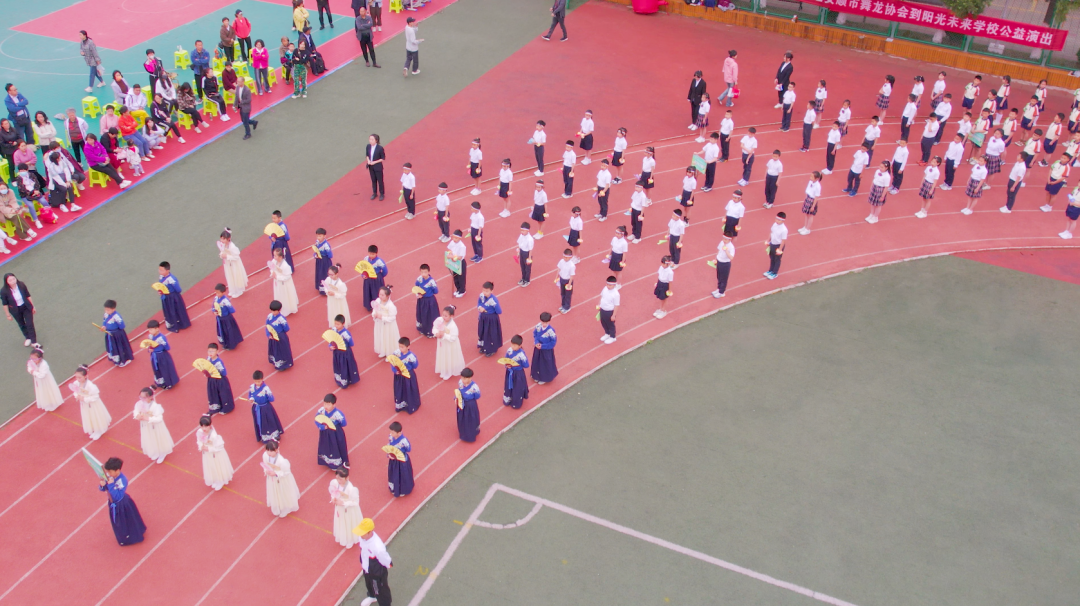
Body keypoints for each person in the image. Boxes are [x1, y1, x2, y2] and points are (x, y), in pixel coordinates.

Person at [99, 458, 147, 546]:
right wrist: (102, 485)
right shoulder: (110, 476)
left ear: (117, 470)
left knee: (126, 522)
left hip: (122, 505)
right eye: (107, 471)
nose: (108, 474)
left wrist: (110, 484)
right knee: (118, 523)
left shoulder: (123, 480)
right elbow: (104, 489)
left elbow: (118, 495)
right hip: (113, 503)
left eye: (110, 471)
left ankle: (131, 538)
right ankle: (122, 537)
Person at [353, 518, 394, 605]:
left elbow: (384, 558)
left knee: (381, 590)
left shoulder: (377, 546)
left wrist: (388, 564)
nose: (360, 535)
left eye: (362, 533)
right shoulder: (362, 538)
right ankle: (372, 596)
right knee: (369, 583)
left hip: (377, 572)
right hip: (367, 567)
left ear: (370, 532)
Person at [133, 387, 174, 464]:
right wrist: (137, 415)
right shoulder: (139, 404)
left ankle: (162, 453)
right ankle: (155, 452)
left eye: (144, 397)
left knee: (158, 438)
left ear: (150, 397)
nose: (142, 399)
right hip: (146, 426)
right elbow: (136, 411)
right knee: (149, 438)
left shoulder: (155, 406)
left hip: (155, 426)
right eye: (140, 397)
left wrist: (148, 418)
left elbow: (159, 418)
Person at [196, 415, 234, 491]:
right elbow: (199, 440)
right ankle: (215, 480)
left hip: (216, 454)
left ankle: (220, 481)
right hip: (207, 454)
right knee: (211, 466)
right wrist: (201, 446)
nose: (204, 428)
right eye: (202, 426)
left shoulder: (214, 436)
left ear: (210, 425)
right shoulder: (199, 432)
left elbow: (220, 447)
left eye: (206, 426)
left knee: (218, 466)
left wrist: (208, 449)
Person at [262, 441, 300, 518]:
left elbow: (286, 472)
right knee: (274, 492)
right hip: (272, 479)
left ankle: (285, 508)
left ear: (277, 450)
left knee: (283, 493)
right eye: (267, 450)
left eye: (271, 451)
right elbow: (265, 465)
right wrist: (266, 471)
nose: (269, 453)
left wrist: (276, 473)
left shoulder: (282, 461)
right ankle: (277, 506)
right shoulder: (265, 455)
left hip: (282, 480)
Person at [248, 371, 284, 443]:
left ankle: (274, 435)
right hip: (257, 408)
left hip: (266, 408)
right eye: (255, 381)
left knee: (269, 421)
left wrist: (268, 394)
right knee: (260, 422)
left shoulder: (266, 388)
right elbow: (250, 395)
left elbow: (272, 399)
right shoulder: (251, 387)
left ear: (262, 379)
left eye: (259, 381)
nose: (257, 383)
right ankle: (264, 436)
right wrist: (251, 399)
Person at [331, 468, 363, 546]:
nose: (338, 481)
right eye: (337, 478)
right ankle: (343, 537)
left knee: (349, 523)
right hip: (340, 508)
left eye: (341, 479)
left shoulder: (351, 489)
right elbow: (333, 492)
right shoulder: (335, 483)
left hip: (349, 510)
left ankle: (350, 540)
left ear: (347, 478)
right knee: (342, 522)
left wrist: (343, 503)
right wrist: (333, 498)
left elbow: (355, 502)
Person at [316, 393, 349, 469]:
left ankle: (342, 462)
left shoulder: (338, 414)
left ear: (334, 404)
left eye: (328, 404)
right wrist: (322, 427)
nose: (326, 406)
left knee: (338, 446)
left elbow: (344, 423)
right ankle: (327, 462)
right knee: (326, 446)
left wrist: (336, 420)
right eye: (324, 404)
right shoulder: (321, 410)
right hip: (325, 432)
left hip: (335, 433)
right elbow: (316, 419)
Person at [3, 273, 36, 346]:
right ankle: (28, 338)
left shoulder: (21, 285)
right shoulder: (4, 291)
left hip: (26, 307)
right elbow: (5, 304)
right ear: (6, 282)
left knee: (30, 324)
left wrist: (32, 306)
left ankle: (34, 342)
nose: (13, 281)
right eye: (10, 280)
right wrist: (8, 315)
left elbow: (28, 296)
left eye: (13, 279)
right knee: (22, 324)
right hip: (15, 310)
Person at [144, 320, 179, 390]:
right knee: (157, 369)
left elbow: (167, 348)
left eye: (151, 330)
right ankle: (161, 383)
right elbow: (149, 346)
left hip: (162, 356)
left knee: (165, 369)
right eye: (149, 330)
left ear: (157, 329)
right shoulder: (150, 336)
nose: (149, 331)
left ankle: (169, 383)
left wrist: (163, 344)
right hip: (154, 356)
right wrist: (149, 349)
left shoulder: (162, 337)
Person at [157, 262, 191, 332]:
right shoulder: (161, 277)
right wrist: (160, 291)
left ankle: (182, 324)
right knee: (169, 311)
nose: (160, 271)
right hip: (166, 297)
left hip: (173, 297)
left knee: (176, 310)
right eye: (159, 270)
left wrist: (171, 294)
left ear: (167, 270)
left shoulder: (172, 279)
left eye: (162, 270)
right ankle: (172, 324)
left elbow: (178, 290)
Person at [391, 336, 421, 413]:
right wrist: (395, 371)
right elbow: (393, 362)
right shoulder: (396, 353)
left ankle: (411, 405)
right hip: (399, 375)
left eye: (402, 347)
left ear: (408, 347)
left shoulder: (411, 356)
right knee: (399, 389)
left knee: (409, 389)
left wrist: (412, 362)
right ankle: (401, 405)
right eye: (399, 347)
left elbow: (415, 366)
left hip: (408, 375)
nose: (400, 349)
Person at [203, 343, 235, 415]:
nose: (210, 353)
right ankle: (216, 407)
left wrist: (216, 370)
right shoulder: (208, 359)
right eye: (209, 351)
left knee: (223, 394)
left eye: (212, 351)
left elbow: (224, 373)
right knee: (213, 393)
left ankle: (226, 408)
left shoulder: (218, 362)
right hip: (212, 380)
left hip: (220, 380)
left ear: (217, 351)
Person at [433, 306, 464, 380]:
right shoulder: (439, 320)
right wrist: (436, 333)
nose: (443, 317)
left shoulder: (453, 326)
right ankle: (443, 369)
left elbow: (453, 337)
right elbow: (434, 327)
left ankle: (449, 372)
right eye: (443, 315)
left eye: (446, 316)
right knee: (442, 355)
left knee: (449, 356)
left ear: (451, 316)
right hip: (442, 343)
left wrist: (444, 335)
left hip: (450, 344)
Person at [331, 314, 361, 388]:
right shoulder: (334, 330)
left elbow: (351, 343)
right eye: (335, 324)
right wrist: (330, 346)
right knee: (338, 365)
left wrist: (347, 339)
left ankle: (346, 380)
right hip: (336, 353)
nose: (336, 325)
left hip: (345, 353)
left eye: (338, 324)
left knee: (345, 366)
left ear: (343, 324)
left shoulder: (346, 333)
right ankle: (339, 379)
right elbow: (331, 340)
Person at [100, 300, 133, 366]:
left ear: (113, 309)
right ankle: (115, 359)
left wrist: (116, 331)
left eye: (108, 310)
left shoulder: (116, 316)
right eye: (105, 309)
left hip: (117, 335)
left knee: (120, 347)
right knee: (112, 347)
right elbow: (104, 321)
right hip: (109, 334)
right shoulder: (106, 314)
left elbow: (122, 326)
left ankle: (124, 359)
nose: (106, 311)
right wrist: (104, 326)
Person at [216, 229, 247, 298]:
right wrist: (222, 255)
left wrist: (227, 256)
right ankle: (233, 290)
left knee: (236, 276)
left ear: (228, 238)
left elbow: (236, 256)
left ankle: (238, 290)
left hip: (234, 264)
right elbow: (222, 252)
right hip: (228, 264)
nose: (222, 240)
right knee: (230, 276)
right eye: (221, 238)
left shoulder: (232, 247)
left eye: (224, 239)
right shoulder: (224, 245)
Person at [386, 421, 414, 497]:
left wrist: (401, 449)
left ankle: (403, 490)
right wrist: (389, 453)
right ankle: (393, 488)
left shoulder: (404, 441)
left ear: (399, 433)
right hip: (393, 460)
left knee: (403, 475)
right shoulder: (391, 437)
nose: (391, 434)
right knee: (393, 473)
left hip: (402, 461)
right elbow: (389, 444)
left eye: (393, 432)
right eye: (390, 432)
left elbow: (408, 449)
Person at [270, 247, 299, 316]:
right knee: (279, 294)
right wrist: (272, 273)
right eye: (274, 255)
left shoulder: (285, 266)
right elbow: (271, 268)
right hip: (277, 282)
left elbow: (287, 277)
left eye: (275, 256)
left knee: (285, 295)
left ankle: (287, 309)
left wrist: (277, 277)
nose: (274, 257)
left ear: (280, 256)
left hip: (284, 284)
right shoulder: (274, 261)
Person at [266, 300, 293, 370]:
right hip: (272, 337)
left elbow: (287, 328)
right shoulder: (269, 316)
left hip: (281, 337)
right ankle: (276, 362)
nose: (272, 312)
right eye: (271, 310)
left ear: (279, 310)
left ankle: (285, 364)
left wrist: (280, 334)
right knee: (275, 350)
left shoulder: (281, 319)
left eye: (274, 311)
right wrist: (268, 334)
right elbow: (267, 326)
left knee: (282, 350)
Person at [477, 282, 503, 356]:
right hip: (483, 317)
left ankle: (492, 349)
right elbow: (479, 303)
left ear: (491, 291)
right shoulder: (481, 296)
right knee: (482, 331)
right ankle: (483, 346)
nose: (484, 292)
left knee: (490, 333)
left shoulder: (493, 300)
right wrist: (480, 308)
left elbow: (499, 311)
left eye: (487, 291)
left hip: (491, 319)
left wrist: (488, 310)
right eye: (483, 290)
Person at [531, 312, 558, 384]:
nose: (544, 324)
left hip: (546, 351)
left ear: (549, 321)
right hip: (538, 349)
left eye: (546, 322)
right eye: (542, 322)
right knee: (536, 362)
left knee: (545, 365)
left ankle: (545, 378)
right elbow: (535, 334)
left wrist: (543, 346)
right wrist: (536, 342)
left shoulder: (551, 331)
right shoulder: (538, 326)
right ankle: (536, 376)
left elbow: (553, 342)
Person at [414, 264, 439, 337]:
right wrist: (417, 294)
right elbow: (416, 287)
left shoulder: (431, 281)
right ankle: (423, 329)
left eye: (425, 272)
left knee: (430, 315)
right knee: (422, 314)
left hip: (430, 301)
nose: (423, 274)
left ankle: (431, 331)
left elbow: (436, 291)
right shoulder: (419, 279)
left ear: (428, 272)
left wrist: (428, 292)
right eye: (422, 272)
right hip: (421, 300)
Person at [456, 367, 481, 441]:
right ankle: (463, 433)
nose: (462, 380)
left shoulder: (475, 387)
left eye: (464, 378)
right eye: (462, 378)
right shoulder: (460, 382)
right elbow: (459, 390)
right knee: (462, 418)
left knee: (471, 419)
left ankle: (471, 435)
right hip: (461, 403)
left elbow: (477, 396)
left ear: (470, 378)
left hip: (470, 405)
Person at [324, 264, 351, 329]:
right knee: (332, 310)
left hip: (339, 301)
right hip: (331, 299)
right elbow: (325, 286)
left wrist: (334, 294)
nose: (330, 276)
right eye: (329, 274)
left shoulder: (340, 284)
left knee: (339, 311)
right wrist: (327, 292)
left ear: (336, 274)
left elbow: (343, 294)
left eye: (332, 275)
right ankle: (334, 324)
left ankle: (341, 324)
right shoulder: (328, 279)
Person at [362, 245, 388, 311]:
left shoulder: (379, 261)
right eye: (370, 253)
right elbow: (363, 268)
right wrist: (363, 275)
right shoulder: (365, 259)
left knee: (376, 292)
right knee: (368, 291)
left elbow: (385, 270)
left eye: (373, 254)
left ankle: (378, 305)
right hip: (368, 278)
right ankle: (369, 305)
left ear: (376, 253)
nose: (371, 255)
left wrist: (380, 277)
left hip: (376, 278)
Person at [764, 212, 787, 280]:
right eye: (776, 219)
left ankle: (775, 273)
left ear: (783, 221)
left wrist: (780, 249)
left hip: (778, 245)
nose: (777, 221)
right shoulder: (774, 224)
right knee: (772, 258)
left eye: (779, 220)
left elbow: (783, 240)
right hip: (772, 243)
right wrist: (768, 240)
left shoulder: (784, 230)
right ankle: (770, 270)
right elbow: (771, 232)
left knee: (777, 259)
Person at [712, 233, 735, 298]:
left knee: (723, 278)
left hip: (725, 264)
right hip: (719, 261)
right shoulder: (722, 242)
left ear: (730, 240)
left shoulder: (731, 247)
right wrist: (715, 258)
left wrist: (726, 251)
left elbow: (731, 257)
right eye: (723, 238)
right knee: (719, 276)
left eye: (726, 239)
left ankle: (722, 292)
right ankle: (719, 288)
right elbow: (719, 250)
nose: (724, 240)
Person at [597, 276, 620, 344]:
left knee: (610, 324)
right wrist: (599, 304)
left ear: (614, 285)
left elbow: (616, 305)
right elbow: (602, 296)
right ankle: (607, 333)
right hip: (602, 309)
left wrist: (613, 315)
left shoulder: (616, 294)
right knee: (603, 322)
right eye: (607, 284)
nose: (608, 286)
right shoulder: (605, 288)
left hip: (609, 311)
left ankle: (613, 337)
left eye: (610, 285)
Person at [447, 230, 467, 297]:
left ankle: (462, 291)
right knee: (455, 276)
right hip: (454, 262)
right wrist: (450, 253)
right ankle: (458, 289)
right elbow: (450, 249)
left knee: (461, 277)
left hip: (460, 263)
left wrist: (452, 256)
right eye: (453, 237)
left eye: (456, 238)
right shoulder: (452, 242)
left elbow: (460, 257)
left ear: (460, 238)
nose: (454, 239)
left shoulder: (462, 246)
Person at [313, 228, 334, 293]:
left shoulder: (326, 245)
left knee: (324, 274)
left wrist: (323, 255)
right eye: (317, 236)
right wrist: (315, 255)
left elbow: (330, 255)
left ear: (324, 236)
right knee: (319, 273)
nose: (318, 238)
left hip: (325, 262)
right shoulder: (317, 242)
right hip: (319, 261)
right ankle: (320, 286)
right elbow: (315, 250)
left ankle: (326, 289)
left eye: (320, 236)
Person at [365, 134, 386, 200]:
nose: (370, 141)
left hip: (378, 167)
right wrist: (368, 160)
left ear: (376, 140)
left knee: (380, 181)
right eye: (370, 139)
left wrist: (374, 162)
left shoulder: (380, 148)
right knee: (373, 180)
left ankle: (382, 194)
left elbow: (383, 158)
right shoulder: (368, 146)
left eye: (372, 139)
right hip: (371, 167)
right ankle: (374, 193)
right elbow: (367, 155)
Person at [556, 248, 576, 313]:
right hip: (562, 279)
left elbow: (572, 275)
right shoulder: (561, 261)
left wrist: (569, 284)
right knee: (562, 293)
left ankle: (567, 307)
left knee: (568, 295)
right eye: (564, 257)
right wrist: (557, 276)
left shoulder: (572, 265)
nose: (565, 258)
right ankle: (563, 305)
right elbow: (559, 268)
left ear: (570, 257)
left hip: (568, 281)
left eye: (567, 257)